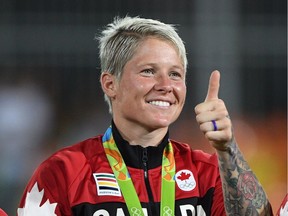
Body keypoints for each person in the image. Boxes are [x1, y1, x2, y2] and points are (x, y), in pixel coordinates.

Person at [17, 16, 273, 216]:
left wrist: (227, 150)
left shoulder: (206, 173)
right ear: (110, 84)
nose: (165, 85)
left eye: (175, 74)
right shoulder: (63, 172)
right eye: (149, 71)